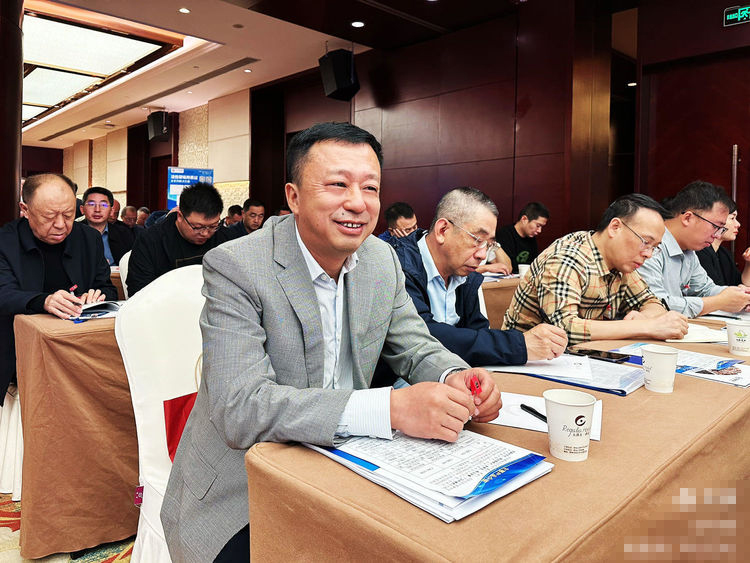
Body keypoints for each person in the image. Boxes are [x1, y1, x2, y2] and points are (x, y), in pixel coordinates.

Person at [161, 122, 501, 563]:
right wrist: (391, 408)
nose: (358, 203)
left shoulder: (380, 259)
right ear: (294, 197)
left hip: (348, 462)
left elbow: (415, 346)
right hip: (242, 485)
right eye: (338, 184)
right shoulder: (236, 265)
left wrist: (455, 376)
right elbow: (240, 408)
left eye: (370, 187)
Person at [387, 187, 567, 368]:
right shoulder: (397, 265)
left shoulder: (465, 275)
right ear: (442, 230)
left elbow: (477, 333)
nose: (482, 255)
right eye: (477, 240)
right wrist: (519, 345)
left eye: (489, 244)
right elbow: (423, 336)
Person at [503, 194, 689, 344]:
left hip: (583, 356)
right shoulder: (568, 258)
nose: (648, 254)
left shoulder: (622, 264)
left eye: (655, 247)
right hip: (528, 360)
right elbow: (565, 328)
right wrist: (647, 327)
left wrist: (645, 317)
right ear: (615, 227)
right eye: (646, 242)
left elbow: (651, 302)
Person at [0, 173, 117, 401]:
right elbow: (4, 294)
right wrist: (44, 301)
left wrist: (98, 295)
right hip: (20, 356)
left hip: (80, 355)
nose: (61, 225)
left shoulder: (88, 238)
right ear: (25, 210)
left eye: (68, 214)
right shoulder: (6, 241)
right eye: (49, 216)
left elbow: (107, 287)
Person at [639, 181, 750, 317]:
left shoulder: (689, 252)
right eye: (716, 226)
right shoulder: (649, 245)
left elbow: (705, 289)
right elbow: (654, 304)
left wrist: (740, 295)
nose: (717, 235)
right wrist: (719, 302)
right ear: (688, 218)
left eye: (721, 229)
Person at [126, 183, 231, 296]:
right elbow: (138, 291)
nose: (205, 233)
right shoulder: (151, 240)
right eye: (197, 227)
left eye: (213, 226)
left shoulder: (225, 238)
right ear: (180, 216)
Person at [696, 200, 750, 286]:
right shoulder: (700, 252)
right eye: (732, 218)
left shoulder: (724, 253)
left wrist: (749, 263)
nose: (738, 224)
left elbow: (742, 284)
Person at [79, 187, 135, 266]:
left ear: (111, 211)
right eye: (91, 204)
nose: (97, 210)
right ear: (82, 209)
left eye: (103, 205)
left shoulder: (124, 234)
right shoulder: (72, 233)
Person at [493, 202, 549, 274]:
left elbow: (534, 264)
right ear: (524, 219)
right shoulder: (504, 235)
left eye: (541, 227)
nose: (539, 230)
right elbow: (508, 267)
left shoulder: (531, 238)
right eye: (538, 226)